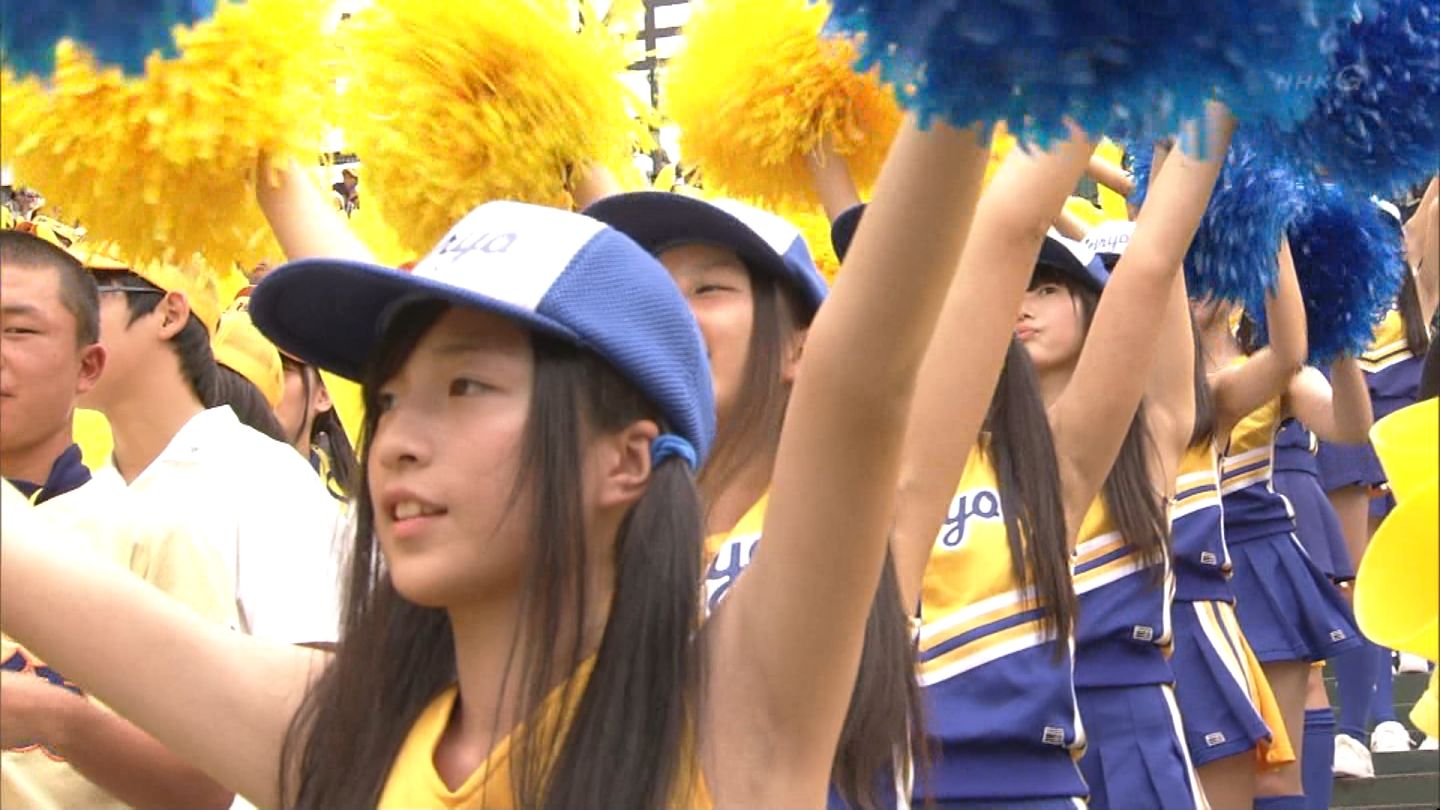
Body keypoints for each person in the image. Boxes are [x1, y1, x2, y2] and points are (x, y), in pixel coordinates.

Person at [0, 117, 997, 808]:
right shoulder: (343, 732)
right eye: (391, 397)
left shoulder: (732, 716)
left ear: (626, 460)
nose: (395, 438)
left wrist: (974, 49)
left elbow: (864, 380)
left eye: (467, 387)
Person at [0, 228, 236, 810]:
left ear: (88, 366)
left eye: (17, 330)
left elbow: (206, 786)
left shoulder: (153, 534)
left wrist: (56, 718)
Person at [70, 244, 343, 646]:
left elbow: (314, 671)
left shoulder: (266, 482)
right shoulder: (84, 499)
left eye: (87, 297)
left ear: (170, 314)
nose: (65, 323)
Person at [1199, 242, 1371, 810]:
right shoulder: (1133, 371)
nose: (1194, 286)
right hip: (1175, 562)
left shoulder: (1276, 368)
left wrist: (1341, 341)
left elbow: (1349, 426)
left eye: (1206, 270)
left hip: (1258, 559)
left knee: (1275, 774)